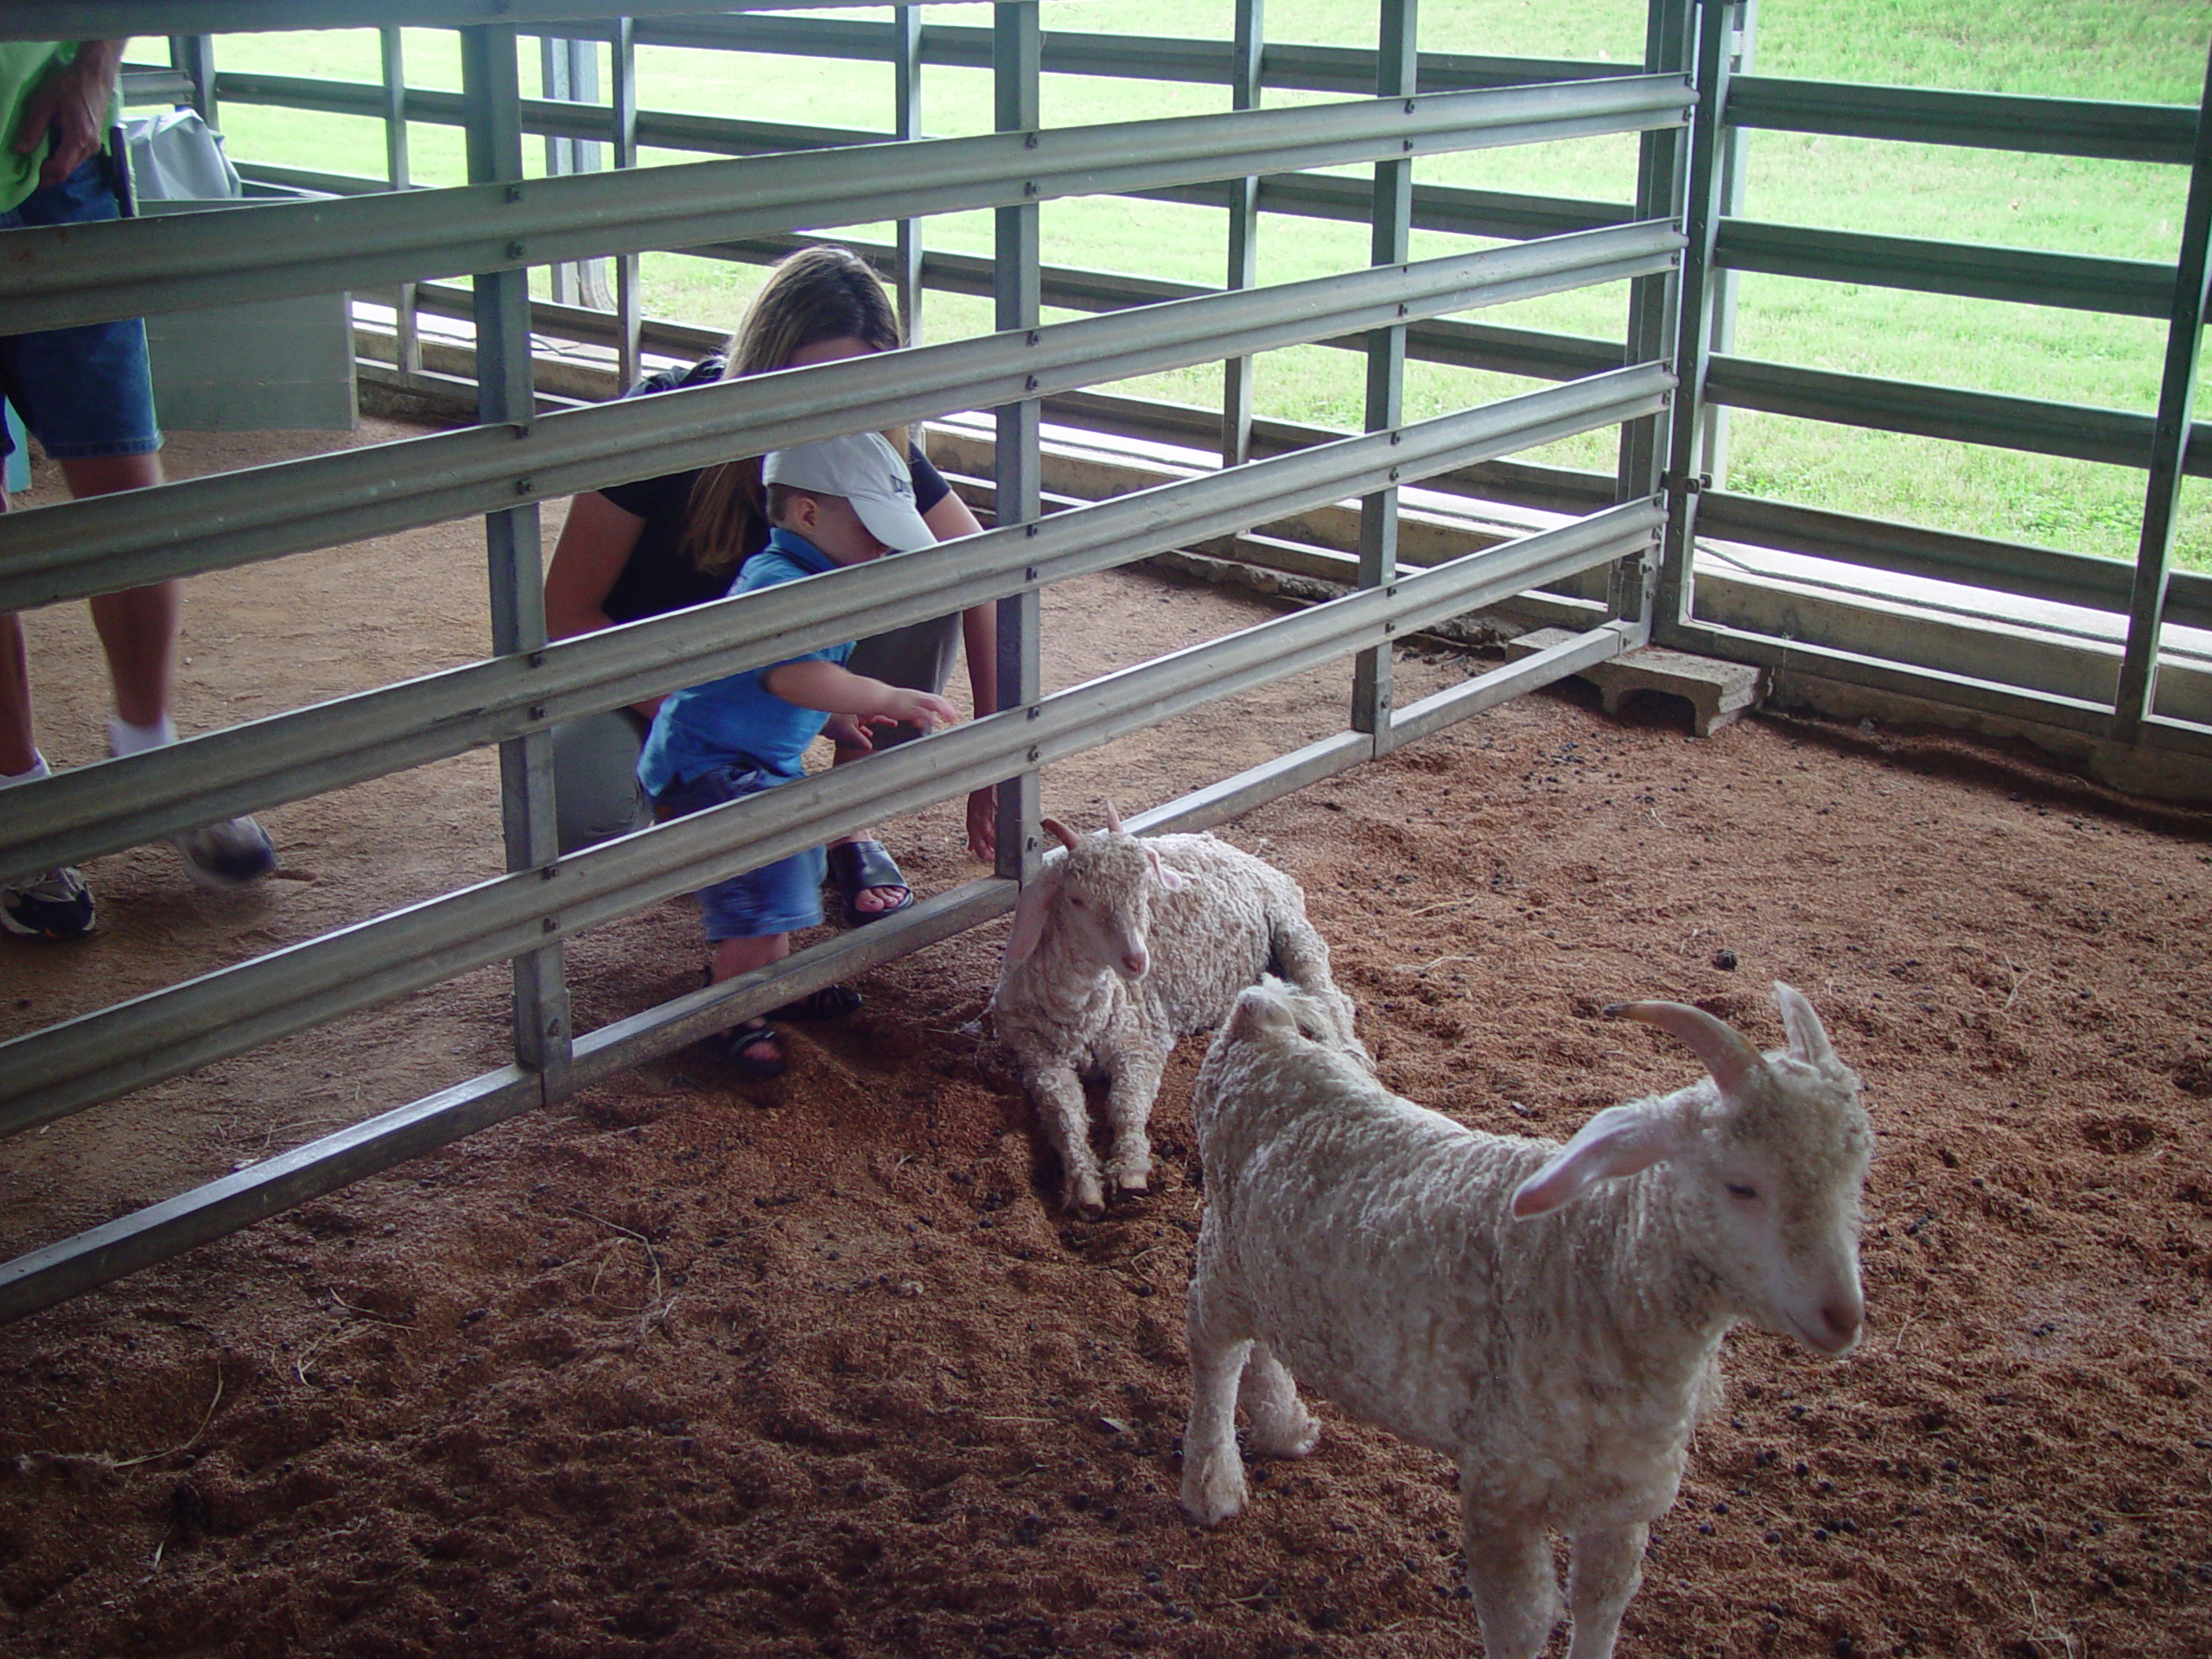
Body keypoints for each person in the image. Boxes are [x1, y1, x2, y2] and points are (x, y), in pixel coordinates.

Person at [543, 245, 996, 925]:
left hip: (780, 679)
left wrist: (994, 750)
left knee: (926, 576)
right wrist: (696, 712)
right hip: (650, 684)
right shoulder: (664, 419)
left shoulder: (864, 448)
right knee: (582, 817)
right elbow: (567, 609)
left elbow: (981, 566)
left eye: (861, 391)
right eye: (812, 384)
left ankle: (845, 819)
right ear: (764, 366)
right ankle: (708, 820)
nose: (835, 414)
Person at [0, 37, 275, 939]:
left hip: (54, 170)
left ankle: (147, 760)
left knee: (127, 497)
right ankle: (19, 804)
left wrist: (95, 66)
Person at [639, 429, 960, 1079]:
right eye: (872, 530)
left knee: (794, 863)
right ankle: (732, 1011)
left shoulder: (819, 580)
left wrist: (838, 721)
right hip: (712, 765)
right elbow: (790, 677)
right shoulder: (780, 583)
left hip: (749, 759)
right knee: (764, 883)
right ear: (809, 514)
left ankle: (773, 984)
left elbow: (786, 681)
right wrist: (883, 694)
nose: (881, 547)